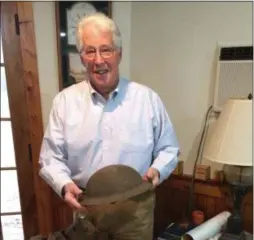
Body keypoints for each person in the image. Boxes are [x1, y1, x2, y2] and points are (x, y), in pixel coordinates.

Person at [39, 12, 180, 211]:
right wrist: (64, 185)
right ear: (81, 58)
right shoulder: (64, 102)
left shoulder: (147, 99)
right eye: (90, 51)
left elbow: (169, 148)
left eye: (106, 50)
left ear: (119, 54)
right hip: (85, 205)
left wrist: (157, 170)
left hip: (136, 206)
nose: (98, 60)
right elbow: (50, 158)